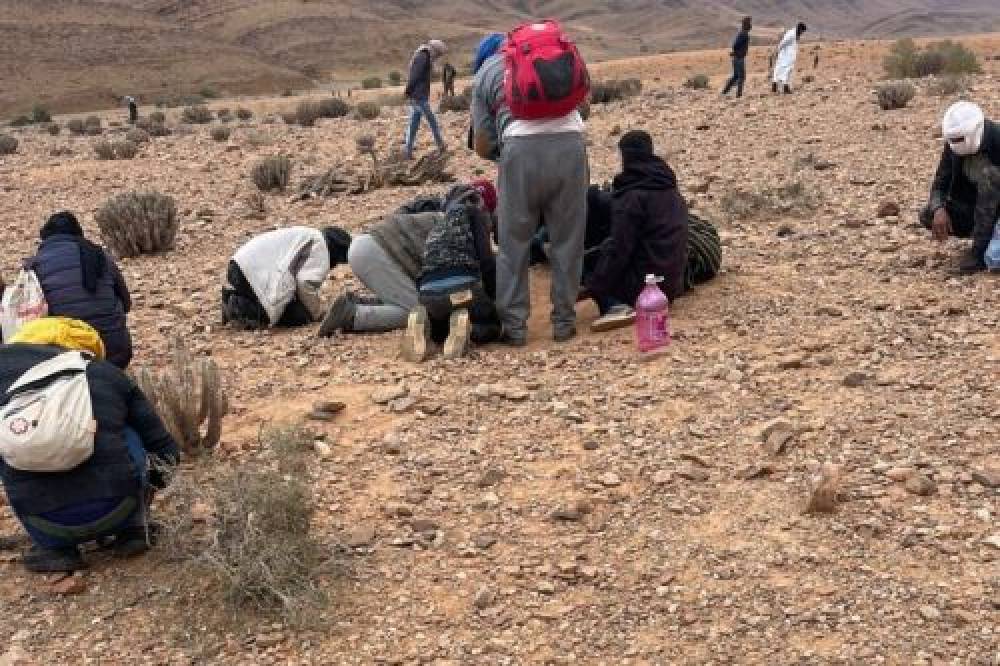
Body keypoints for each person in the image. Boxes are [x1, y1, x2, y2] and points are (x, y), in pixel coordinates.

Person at [0, 317, 180, 573]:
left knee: (12, 437)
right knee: (121, 426)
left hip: (44, 523)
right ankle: (133, 532)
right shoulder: (106, 374)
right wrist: (146, 495)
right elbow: (166, 452)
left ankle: (56, 550)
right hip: (120, 507)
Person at [472, 26, 590, 345]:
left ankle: (515, 328)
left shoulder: (485, 73)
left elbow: (482, 143)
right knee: (568, 239)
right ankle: (564, 323)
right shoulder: (559, 55)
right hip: (570, 147)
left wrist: (506, 154)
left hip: (519, 152)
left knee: (513, 244)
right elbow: (584, 108)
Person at [320, 181, 498, 337]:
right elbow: (483, 268)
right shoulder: (467, 222)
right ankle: (353, 315)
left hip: (368, 242)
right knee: (421, 312)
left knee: (413, 297)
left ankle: (358, 303)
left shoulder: (441, 211)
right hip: (376, 251)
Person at [582, 131, 689, 332]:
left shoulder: (632, 196)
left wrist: (595, 285)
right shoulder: (668, 187)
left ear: (626, 156)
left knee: (587, 261)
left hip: (643, 288)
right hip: (671, 285)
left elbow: (619, 248)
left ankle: (613, 305)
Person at [401, 194, 502, 362]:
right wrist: (491, 299)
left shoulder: (437, 225)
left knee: (443, 320)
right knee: (492, 324)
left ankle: (426, 328)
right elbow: (486, 262)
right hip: (463, 292)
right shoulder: (474, 214)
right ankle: (469, 330)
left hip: (428, 296)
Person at [28, 211, 133, 369]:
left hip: (66, 357)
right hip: (115, 352)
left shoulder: (35, 265)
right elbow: (126, 304)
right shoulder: (100, 255)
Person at [920, 101, 1000, 274]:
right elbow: (939, 184)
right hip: (975, 210)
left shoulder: (997, 138)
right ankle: (982, 240)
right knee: (927, 214)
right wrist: (938, 209)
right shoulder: (952, 147)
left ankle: (979, 253)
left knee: (991, 176)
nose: (956, 143)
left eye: (959, 139)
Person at [222, 226, 351, 330]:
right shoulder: (320, 245)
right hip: (252, 275)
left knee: (283, 300)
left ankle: (234, 298)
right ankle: (239, 307)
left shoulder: (307, 235)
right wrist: (317, 313)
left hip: (239, 266)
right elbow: (305, 283)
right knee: (300, 315)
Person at [403, 39, 449, 159]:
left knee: (413, 124)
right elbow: (414, 75)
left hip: (417, 95)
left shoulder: (424, 56)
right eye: (439, 54)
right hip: (418, 96)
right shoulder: (423, 57)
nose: (438, 57)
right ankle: (441, 146)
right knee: (432, 121)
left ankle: (407, 152)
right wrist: (408, 91)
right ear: (435, 50)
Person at [722, 17, 753, 99]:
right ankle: (738, 95)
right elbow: (735, 45)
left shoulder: (742, 33)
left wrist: (735, 52)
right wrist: (738, 52)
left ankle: (724, 92)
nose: (750, 26)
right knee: (741, 76)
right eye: (749, 24)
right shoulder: (744, 34)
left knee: (736, 76)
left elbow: (735, 45)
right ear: (746, 25)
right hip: (739, 58)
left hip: (737, 57)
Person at [772, 22, 807, 94]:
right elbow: (783, 42)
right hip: (785, 56)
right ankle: (783, 88)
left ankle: (780, 87)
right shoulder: (791, 34)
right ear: (800, 29)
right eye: (802, 31)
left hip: (789, 57)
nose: (802, 33)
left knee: (786, 71)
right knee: (784, 70)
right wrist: (777, 51)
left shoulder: (795, 34)